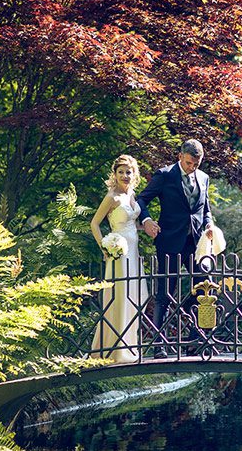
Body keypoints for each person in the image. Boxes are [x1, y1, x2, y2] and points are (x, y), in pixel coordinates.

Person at [136, 139, 215, 356]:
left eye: (196, 165)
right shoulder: (165, 175)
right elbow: (141, 200)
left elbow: (205, 209)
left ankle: (196, 338)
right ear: (180, 156)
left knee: (205, 286)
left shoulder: (204, 178)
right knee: (165, 293)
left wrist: (209, 223)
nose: (192, 168)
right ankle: (159, 345)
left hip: (195, 244)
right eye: (189, 163)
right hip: (169, 242)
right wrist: (147, 220)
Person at [90, 154, 148, 362]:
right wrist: (104, 247)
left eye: (128, 172)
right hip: (119, 254)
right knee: (119, 297)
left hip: (134, 252)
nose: (125, 175)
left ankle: (129, 346)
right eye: (121, 172)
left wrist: (147, 226)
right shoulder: (112, 197)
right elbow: (94, 223)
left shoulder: (132, 194)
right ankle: (115, 350)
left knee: (132, 296)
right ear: (114, 174)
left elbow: (132, 224)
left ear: (134, 174)